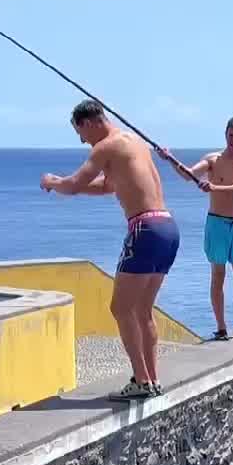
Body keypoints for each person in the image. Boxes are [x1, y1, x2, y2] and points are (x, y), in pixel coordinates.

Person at [40, 99, 181, 401]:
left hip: (144, 229)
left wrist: (53, 182)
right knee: (142, 311)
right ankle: (151, 380)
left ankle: (142, 381)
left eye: (81, 133)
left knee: (120, 308)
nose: (82, 140)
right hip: (167, 228)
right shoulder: (135, 143)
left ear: (89, 122)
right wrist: (66, 185)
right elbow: (107, 187)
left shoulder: (104, 147)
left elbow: (76, 183)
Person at [188, 116, 233, 339]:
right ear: (225, 135)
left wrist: (213, 188)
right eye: (231, 135)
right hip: (216, 223)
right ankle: (221, 328)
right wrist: (168, 158)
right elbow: (190, 173)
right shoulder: (212, 159)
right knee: (218, 275)